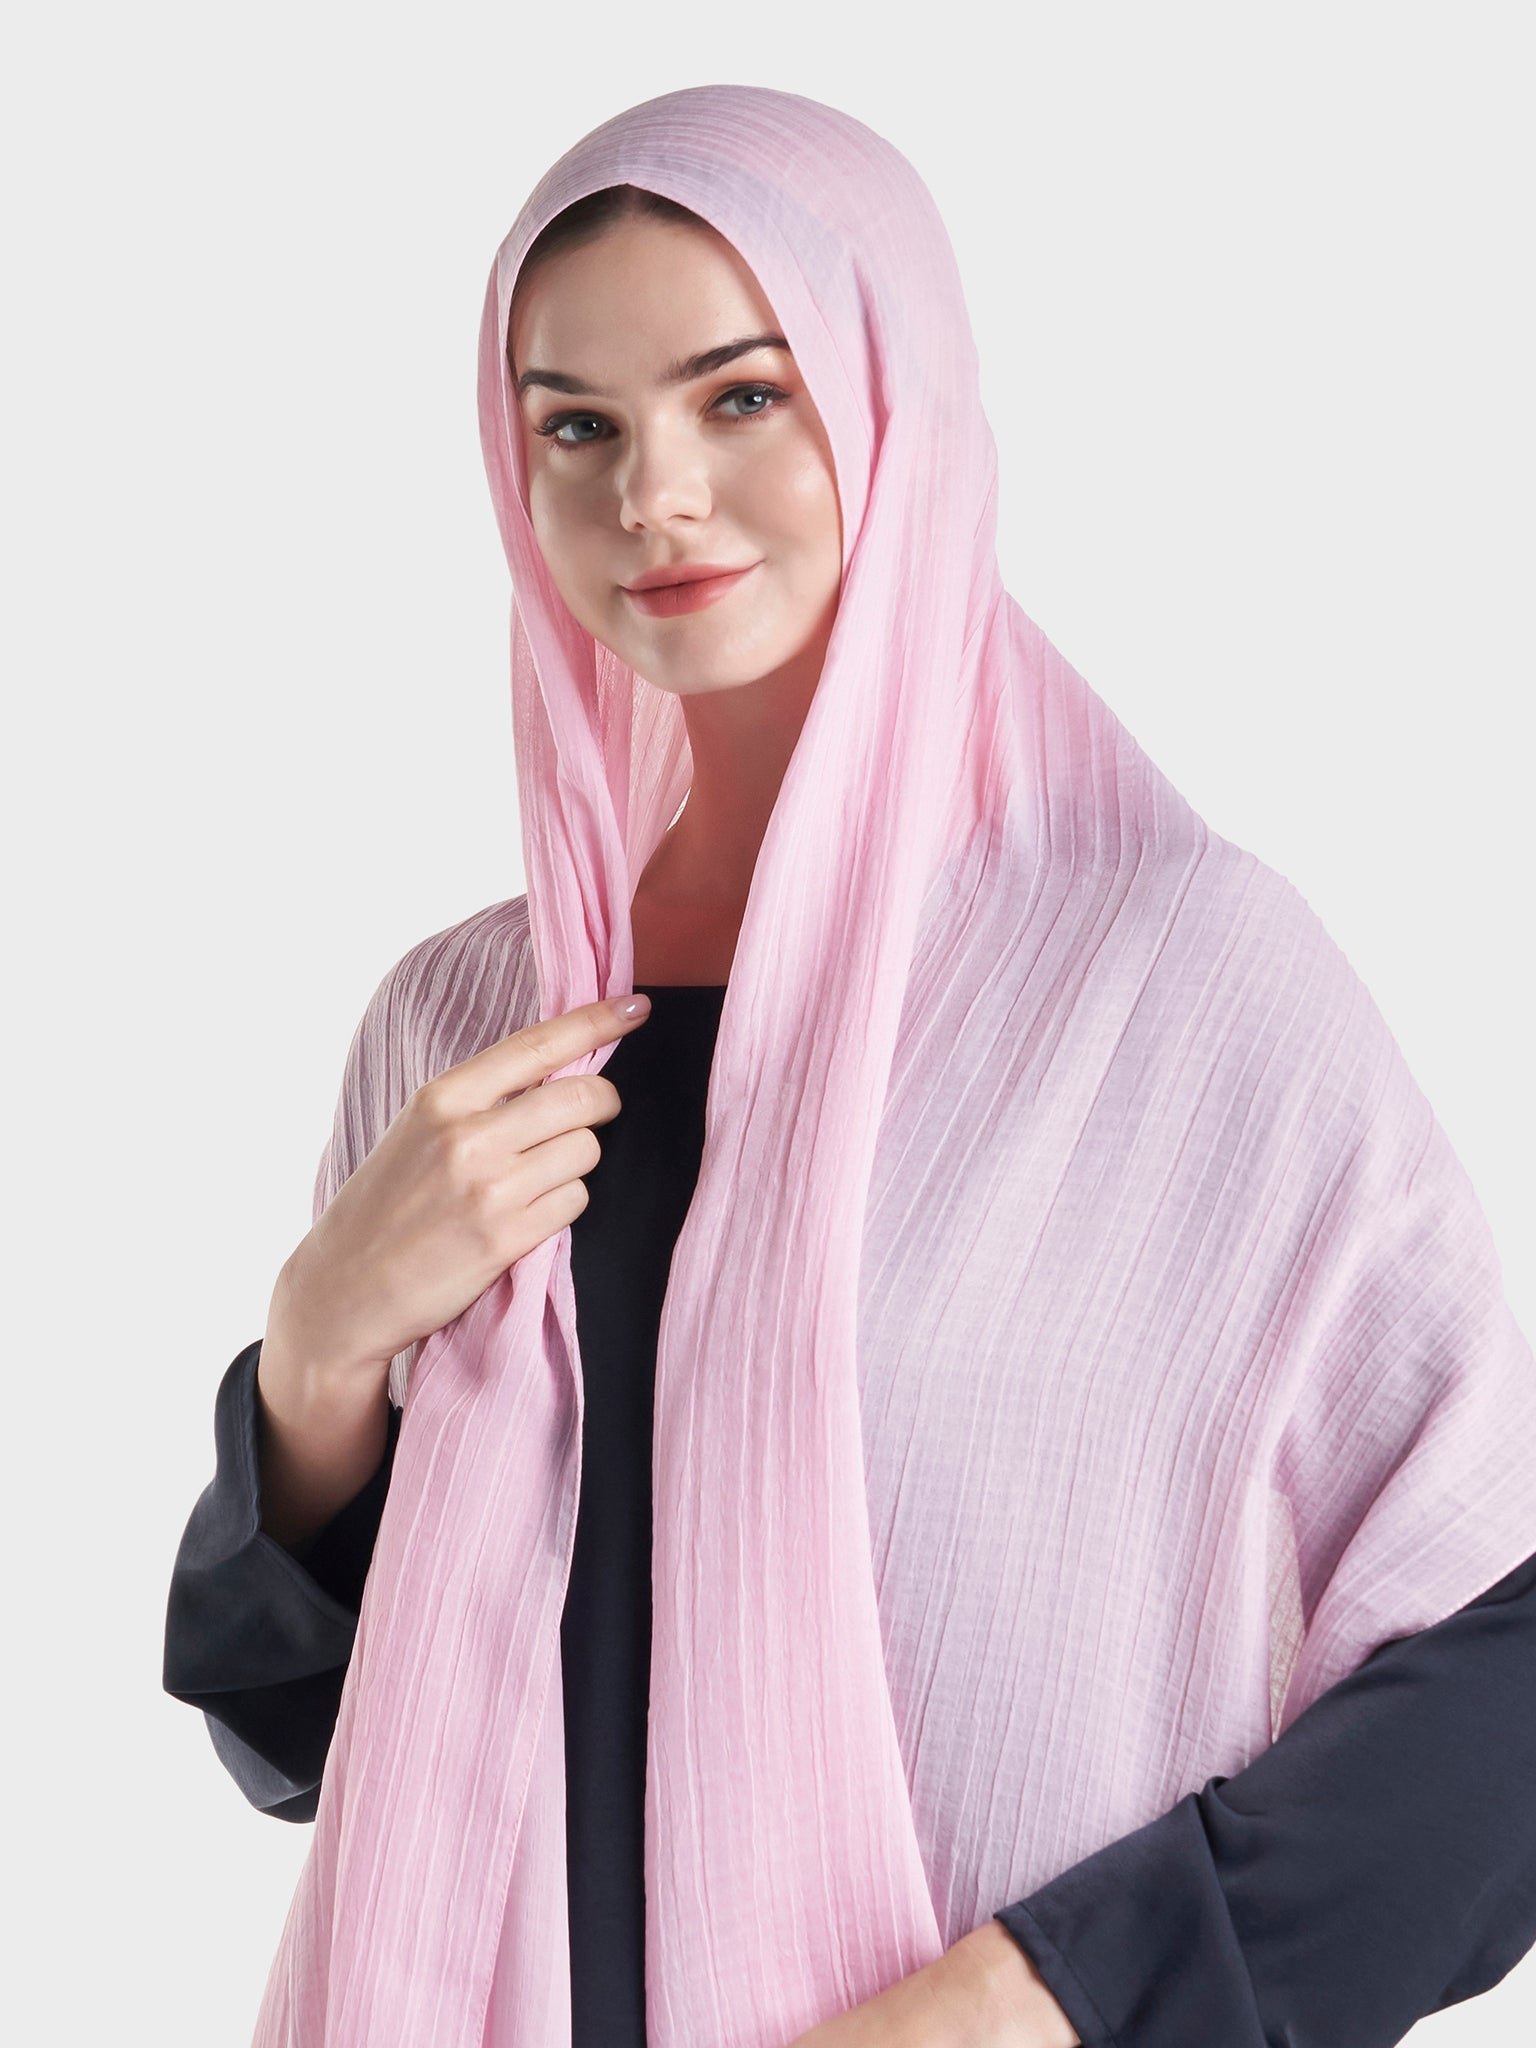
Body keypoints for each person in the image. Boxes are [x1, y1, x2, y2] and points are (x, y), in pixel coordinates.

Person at [164, 86, 1536, 2048]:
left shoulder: (1165, 984)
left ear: (906, 406)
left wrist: (1031, 2000)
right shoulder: (463, 1022)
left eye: (744, 396)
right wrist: (315, 1360)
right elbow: (318, 1744)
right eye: (578, 427)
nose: (655, 496)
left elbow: (1503, 1674)